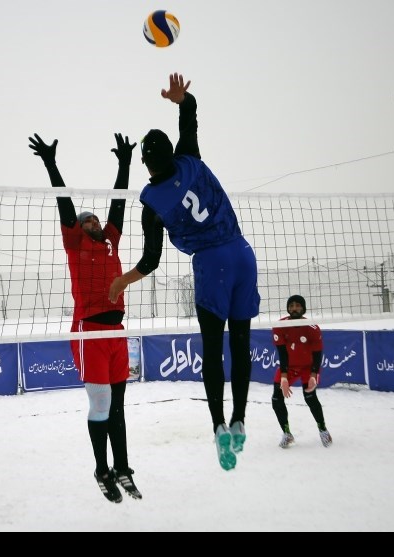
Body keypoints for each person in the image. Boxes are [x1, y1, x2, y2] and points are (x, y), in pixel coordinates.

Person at [109, 74, 261, 471]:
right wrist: (181, 98)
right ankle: (240, 420)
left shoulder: (152, 205)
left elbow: (151, 260)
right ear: (171, 154)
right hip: (243, 254)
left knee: (213, 350)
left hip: (212, 264)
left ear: (145, 162)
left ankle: (218, 428)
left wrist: (124, 280)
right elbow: (189, 117)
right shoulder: (189, 159)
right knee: (240, 345)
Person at [29, 131, 142, 504]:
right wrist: (51, 163)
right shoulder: (75, 242)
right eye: (87, 220)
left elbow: (119, 206)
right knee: (100, 406)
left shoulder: (110, 239)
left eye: (95, 218)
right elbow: (64, 203)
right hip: (89, 331)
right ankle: (101, 469)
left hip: (117, 330)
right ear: (78, 227)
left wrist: (124, 164)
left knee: (119, 407)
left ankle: (123, 467)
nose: (94, 221)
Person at [271, 294, 332, 448]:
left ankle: (323, 430)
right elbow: (282, 353)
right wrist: (284, 377)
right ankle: (287, 433)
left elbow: (317, 354)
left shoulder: (312, 327)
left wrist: (313, 374)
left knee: (310, 398)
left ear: (303, 308)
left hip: (307, 367)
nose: (294, 308)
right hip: (289, 367)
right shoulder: (280, 325)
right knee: (276, 399)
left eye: (298, 305)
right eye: (291, 306)